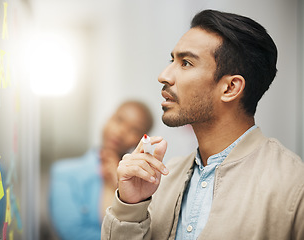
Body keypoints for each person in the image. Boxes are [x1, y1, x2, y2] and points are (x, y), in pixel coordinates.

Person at [101, 9, 304, 240]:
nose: (164, 75)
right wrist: (131, 207)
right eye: (172, 60)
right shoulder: (163, 178)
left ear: (230, 88)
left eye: (186, 63)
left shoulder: (293, 185)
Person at [49, 100, 153, 240]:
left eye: (134, 130)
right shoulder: (64, 173)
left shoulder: (146, 184)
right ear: (108, 119)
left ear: (141, 141)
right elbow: (72, 233)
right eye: (119, 119)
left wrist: (118, 185)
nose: (121, 131)